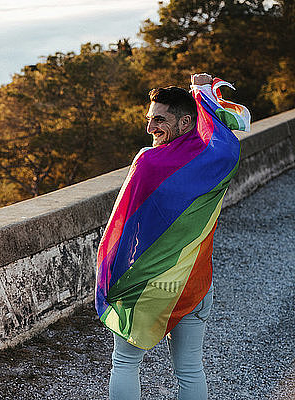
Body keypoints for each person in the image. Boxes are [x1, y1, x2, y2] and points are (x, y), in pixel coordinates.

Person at [95, 73, 250, 399]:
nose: (150, 128)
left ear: (185, 122)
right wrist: (203, 92)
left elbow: (123, 227)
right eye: (149, 120)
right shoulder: (216, 160)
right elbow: (226, 134)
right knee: (190, 369)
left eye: (159, 120)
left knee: (124, 362)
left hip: (151, 284)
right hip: (195, 283)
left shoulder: (148, 162)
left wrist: (113, 277)